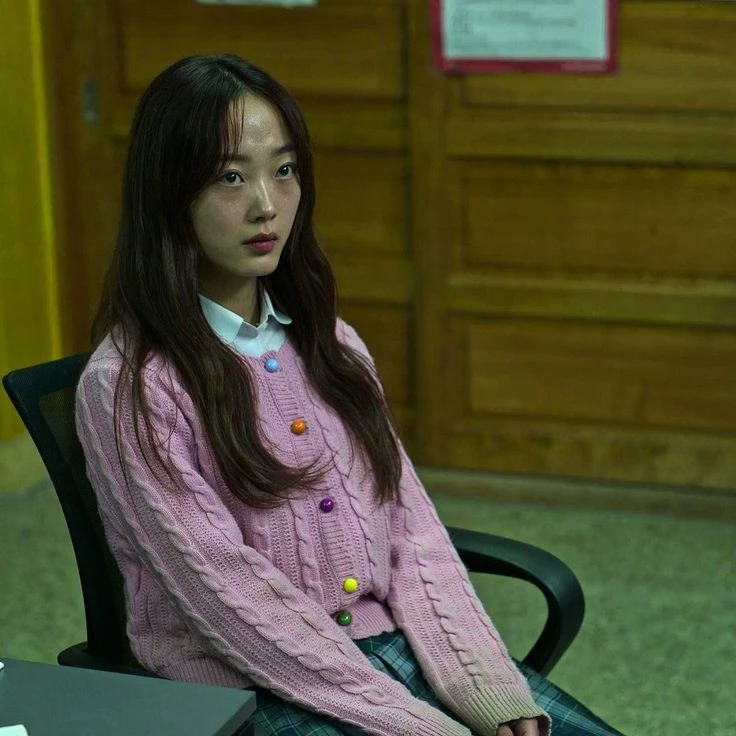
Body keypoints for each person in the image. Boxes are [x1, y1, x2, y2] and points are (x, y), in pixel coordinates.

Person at [75, 54, 624, 736]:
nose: (265, 205)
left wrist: (486, 685)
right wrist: (412, 722)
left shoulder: (330, 342)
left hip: (395, 652)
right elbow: (225, 595)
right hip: (249, 685)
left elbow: (412, 530)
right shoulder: (130, 386)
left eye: (284, 170)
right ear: (167, 193)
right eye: (229, 177)